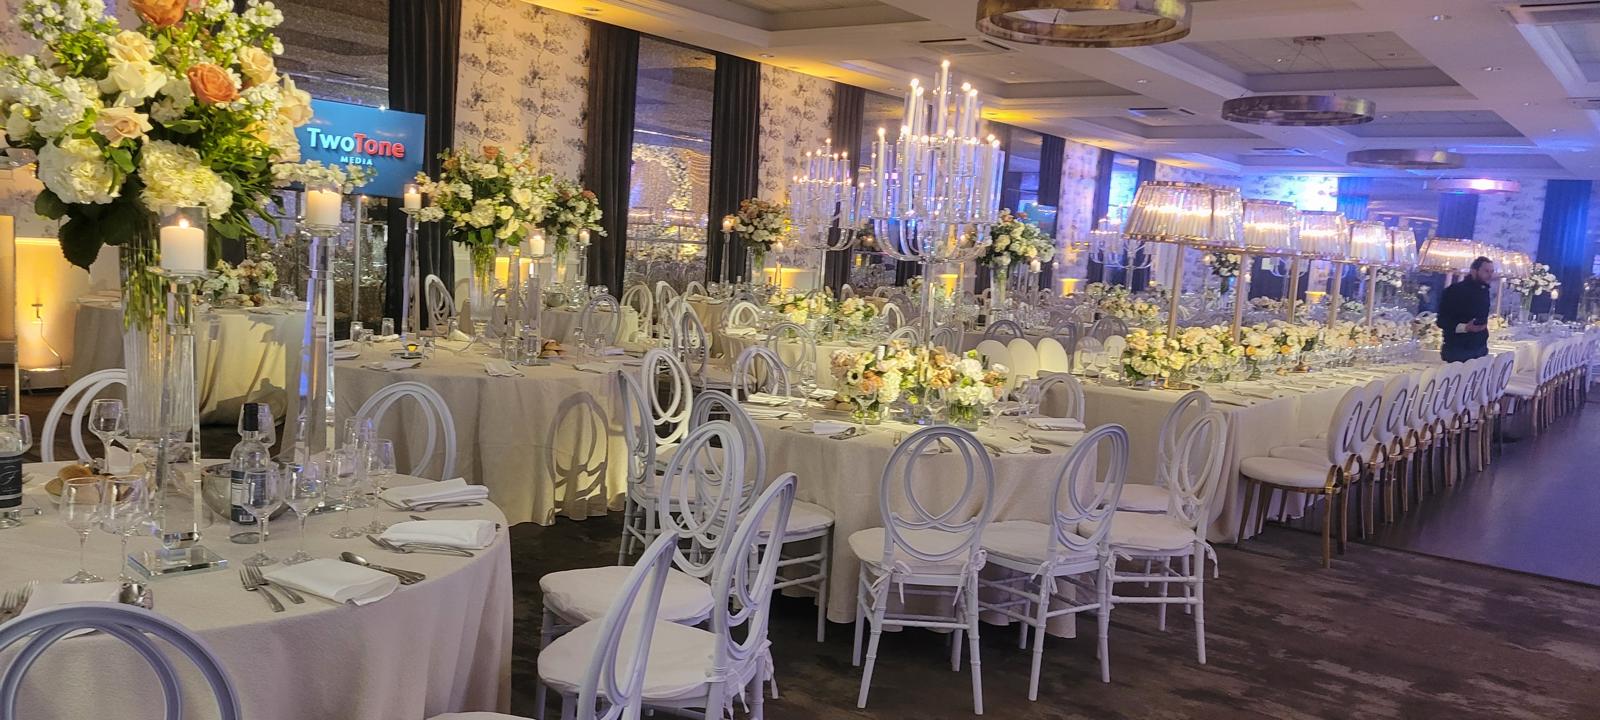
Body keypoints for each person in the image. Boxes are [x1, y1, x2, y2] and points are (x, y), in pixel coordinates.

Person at [1437, 256, 1494, 362]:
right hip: (1458, 350)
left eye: (1492, 271)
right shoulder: (1455, 290)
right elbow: (1442, 321)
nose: (1490, 275)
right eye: (1486, 271)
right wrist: (1465, 328)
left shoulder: (1484, 291)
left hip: (1480, 348)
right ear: (1474, 271)